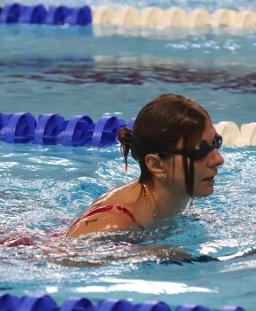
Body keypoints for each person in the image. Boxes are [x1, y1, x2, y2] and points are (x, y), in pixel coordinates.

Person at [67, 94, 224, 236]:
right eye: (199, 149)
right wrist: (143, 253)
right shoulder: (114, 224)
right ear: (157, 165)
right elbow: (61, 256)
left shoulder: (176, 194)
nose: (218, 159)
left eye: (216, 142)